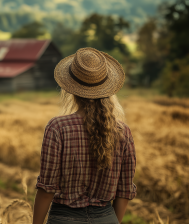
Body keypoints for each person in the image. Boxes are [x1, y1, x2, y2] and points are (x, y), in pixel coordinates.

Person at [33, 47, 137, 224]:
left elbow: (47, 189)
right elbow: (124, 191)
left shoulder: (58, 127)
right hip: (107, 218)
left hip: (64, 218)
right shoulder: (123, 131)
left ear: (70, 89)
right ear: (106, 89)